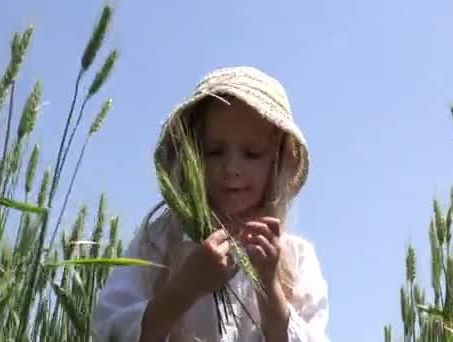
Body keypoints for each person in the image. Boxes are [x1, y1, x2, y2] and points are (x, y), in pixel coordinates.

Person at [91, 66, 330, 342]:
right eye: (214, 152)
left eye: (251, 154)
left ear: (277, 162)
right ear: (191, 155)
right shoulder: (159, 240)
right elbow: (109, 328)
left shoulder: (295, 259)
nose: (231, 168)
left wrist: (269, 286)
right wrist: (187, 286)